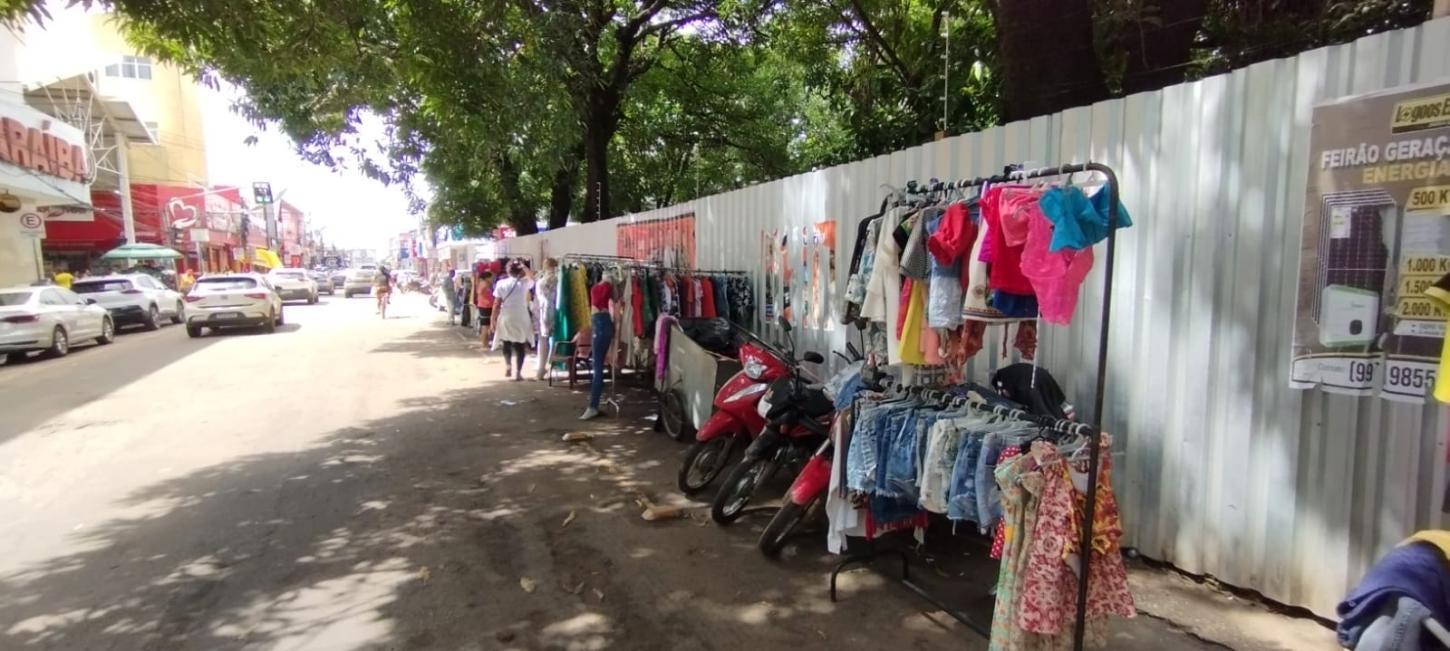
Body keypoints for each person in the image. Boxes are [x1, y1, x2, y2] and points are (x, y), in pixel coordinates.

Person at [488, 260, 535, 380]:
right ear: (520, 271)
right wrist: (524, 266)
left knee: (506, 342)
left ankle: (508, 365)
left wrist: (492, 319)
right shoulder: (524, 283)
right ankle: (518, 372)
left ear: (508, 271)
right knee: (520, 344)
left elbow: (496, 303)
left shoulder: (501, 283)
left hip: (506, 315)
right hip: (521, 315)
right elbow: (531, 276)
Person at [580, 271, 616, 420]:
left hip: (600, 323)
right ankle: (593, 404)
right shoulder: (608, 286)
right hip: (602, 322)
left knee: (598, 367)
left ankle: (593, 406)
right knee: (598, 366)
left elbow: (602, 301)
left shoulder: (606, 286)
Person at [533, 258, 560, 380]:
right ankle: (551, 364)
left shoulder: (541, 279)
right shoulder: (557, 278)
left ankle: (541, 368)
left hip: (543, 310)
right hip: (556, 309)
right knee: (555, 338)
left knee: (543, 340)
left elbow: (538, 298)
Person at [474, 270, 495, 345]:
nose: (493, 279)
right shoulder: (484, 284)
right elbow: (480, 292)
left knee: (486, 326)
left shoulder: (483, 283)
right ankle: (484, 343)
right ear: (487, 277)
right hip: (485, 306)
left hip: (485, 306)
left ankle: (485, 342)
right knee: (485, 326)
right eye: (491, 277)